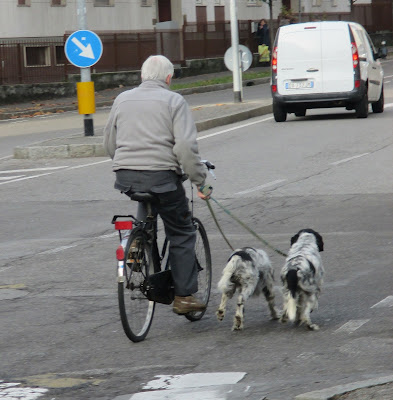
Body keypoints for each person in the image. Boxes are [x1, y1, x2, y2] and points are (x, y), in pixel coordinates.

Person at [103, 55, 212, 315]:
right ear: (168, 78)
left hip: (126, 176)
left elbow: (109, 142)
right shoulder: (175, 101)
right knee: (182, 232)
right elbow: (185, 148)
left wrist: (127, 162)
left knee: (146, 198)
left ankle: (137, 242)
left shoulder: (122, 99)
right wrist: (200, 181)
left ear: (141, 76)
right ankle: (184, 297)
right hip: (162, 177)